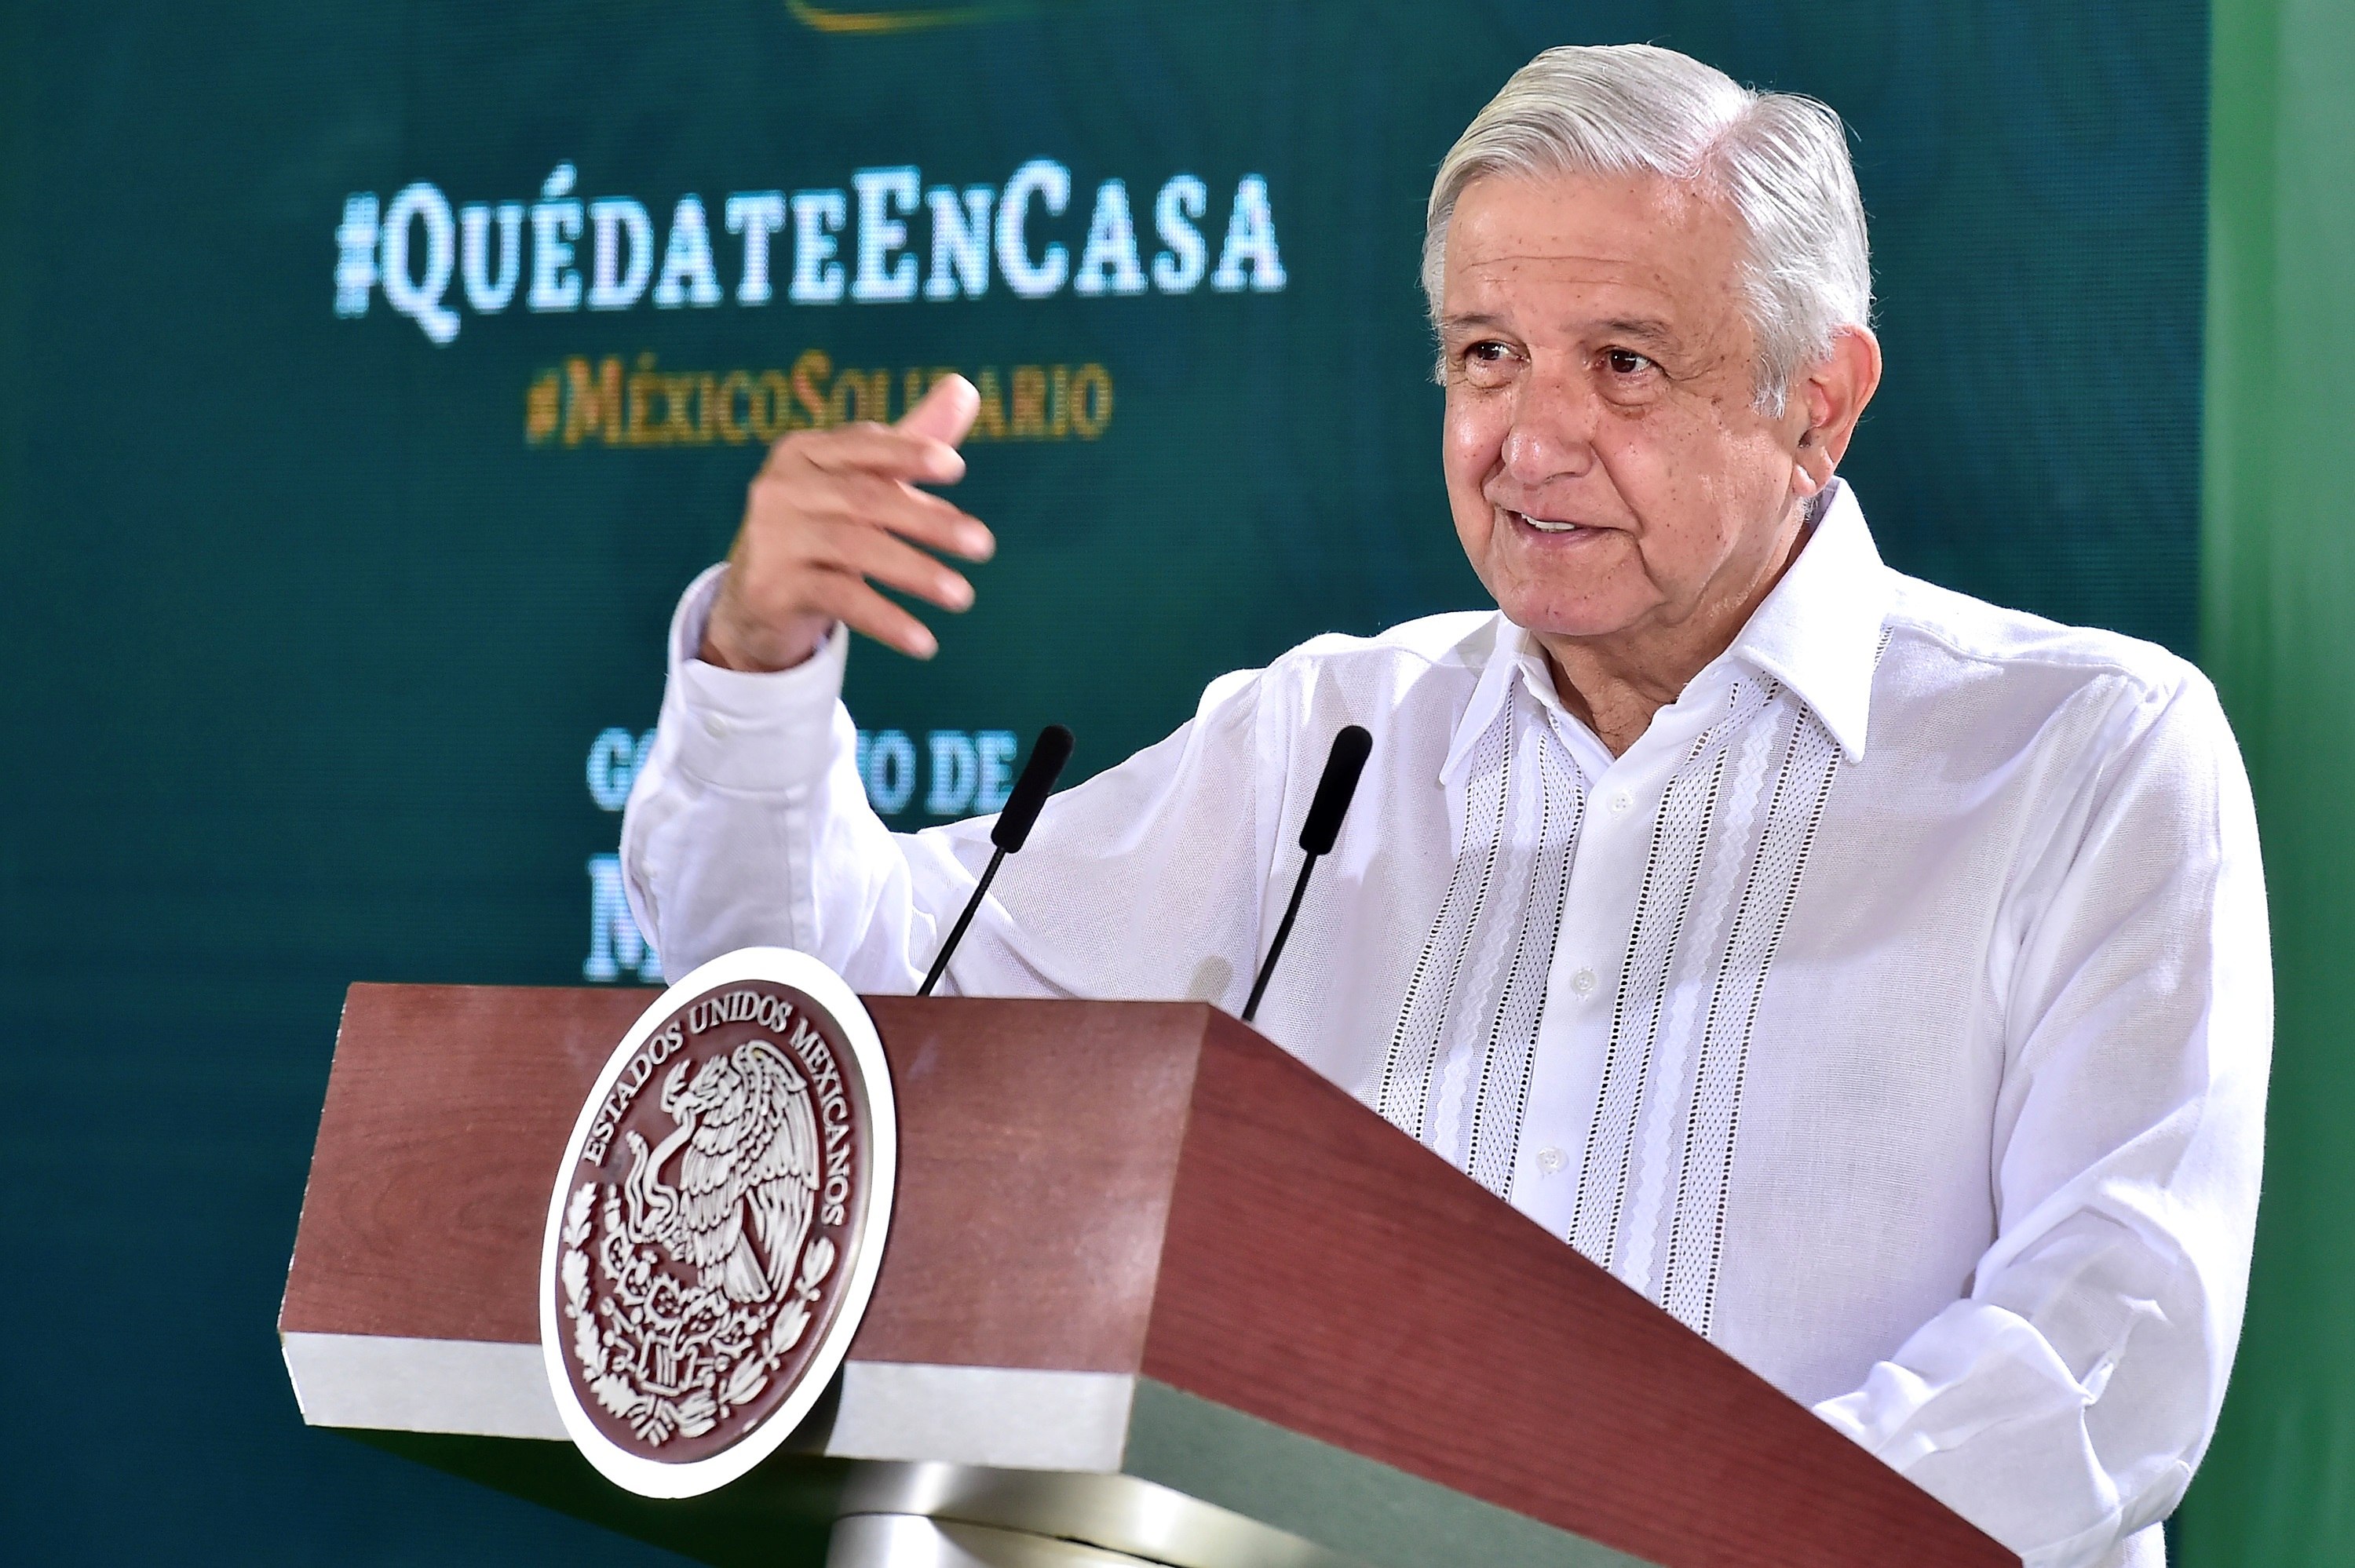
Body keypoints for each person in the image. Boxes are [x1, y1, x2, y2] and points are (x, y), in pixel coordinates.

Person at [621, 44, 2269, 1568]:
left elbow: (2110, 1350)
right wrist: (764, 656)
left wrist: (1655, 1540)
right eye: (1487, 357)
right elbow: (835, 1003)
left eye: (1624, 364)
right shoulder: (1327, 743)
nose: (1529, 439)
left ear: (1817, 400)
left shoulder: (2081, 759)